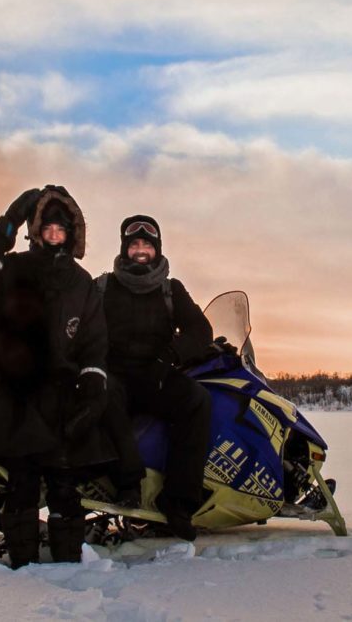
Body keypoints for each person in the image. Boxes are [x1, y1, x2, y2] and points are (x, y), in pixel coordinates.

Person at [0, 185, 113, 568]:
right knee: (23, 483)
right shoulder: (12, 269)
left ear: (72, 234)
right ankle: (23, 565)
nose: (53, 235)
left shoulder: (82, 283)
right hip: (16, 394)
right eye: (46, 228)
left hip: (62, 396)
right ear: (36, 231)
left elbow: (94, 341)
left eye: (61, 230)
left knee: (65, 486)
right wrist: (9, 220)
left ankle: (68, 567)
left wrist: (93, 383)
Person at [99, 214, 213, 541]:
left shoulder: (170, 289)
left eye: (146, 244)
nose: (140, 250)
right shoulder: (104, 286)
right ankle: (127, 487)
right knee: (105, 396)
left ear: (156, 249)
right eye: (133, 244)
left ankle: (178, 503)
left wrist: (172, 356)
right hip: (114, 376)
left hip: (157, 375)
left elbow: (200, 330)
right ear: (125, 248)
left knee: (197, 401)